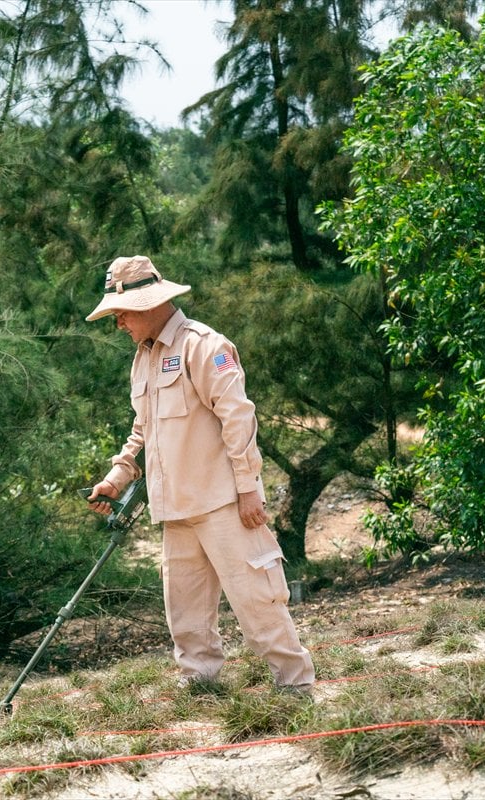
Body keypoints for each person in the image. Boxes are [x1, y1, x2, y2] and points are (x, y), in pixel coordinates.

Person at [84, 255, 315, 694]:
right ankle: (201, 688)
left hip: (225, 502)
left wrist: (249, 489)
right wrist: (118, 475)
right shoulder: (144, 358)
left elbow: (238, 420)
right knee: (185, 613)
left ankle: (295, 688)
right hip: (176, 507)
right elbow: (142, 427)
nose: (118, 326)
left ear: (149, 304)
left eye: (121, 315)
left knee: (257, 601)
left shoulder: (204, 346)